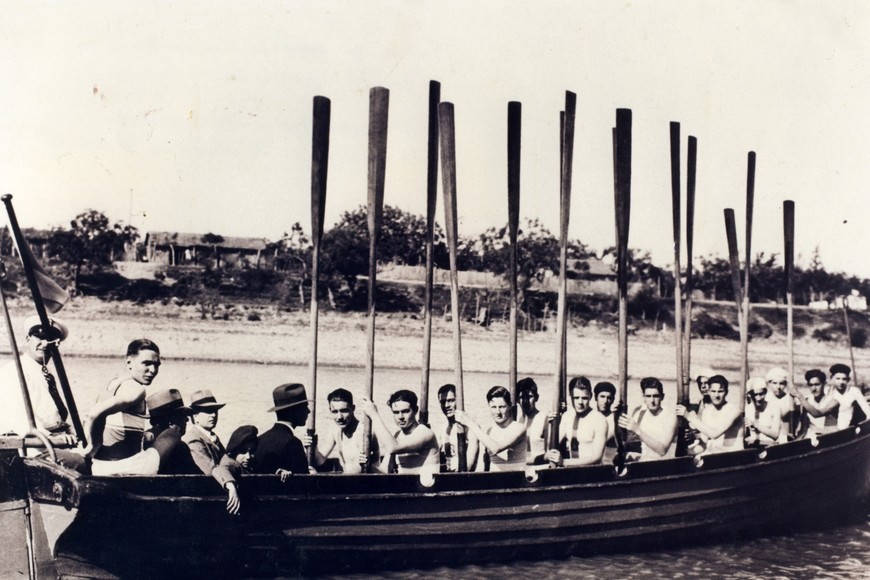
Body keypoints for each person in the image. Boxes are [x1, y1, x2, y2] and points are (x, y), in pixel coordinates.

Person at [145, 389, 239, 515]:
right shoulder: (180, 447)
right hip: (178, 511)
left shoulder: (146, 441)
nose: (187, 420)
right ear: (170, 421)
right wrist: (229, 484)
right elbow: (203, 477)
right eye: (182, 415)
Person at [83, 339, 162, 475]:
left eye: (157, 365)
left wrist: (92, 446)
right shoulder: (136, 389)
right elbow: (94, 414)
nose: (153, 370)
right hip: (128, 468)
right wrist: (92, 446)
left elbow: (91, 416)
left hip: (100, 467)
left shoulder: (113, 384)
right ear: (129, 362)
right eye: (147, 363)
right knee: (172, 434)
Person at [0, 316, 75, 445]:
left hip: (53, 438)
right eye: (40, 337)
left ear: (56, 344)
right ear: (28, 339)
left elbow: (49, 413)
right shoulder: (14, 371)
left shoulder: (44, 372)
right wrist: (51, 438)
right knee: (82, 459)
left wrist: (68, 429)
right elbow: (19, 418)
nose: (45, 344)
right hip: (29, 444)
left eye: (50, 339)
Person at [362, 389, 439, 475]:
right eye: (396, 412)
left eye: (405, 411)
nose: (400, 417)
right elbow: (384, 472)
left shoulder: (425, 433)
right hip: (405, 483)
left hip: (426, 483)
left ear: (415, 410)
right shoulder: (397, 436)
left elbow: (393, 447)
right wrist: (368, 465)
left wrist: (373, 414)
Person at [455, 386, 527, 472]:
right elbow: (482, 464)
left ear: (509, 406)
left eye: (502, 407)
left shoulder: (519, 428)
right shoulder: (488, 431)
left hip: (515, 478)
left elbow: (496, 448)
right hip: (494, 478)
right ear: (489, 407)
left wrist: (470, 423)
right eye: (493, 407)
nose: (498, 412)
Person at [311, 388, 378, 474]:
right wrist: (314, 446)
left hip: (368, 479)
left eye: (344, 411)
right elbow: (319, 461)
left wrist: (321, 478)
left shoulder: (364, 432)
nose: (339, 417)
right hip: (346, 478)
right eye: (335, 412)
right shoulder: (334, 429)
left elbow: (358, 469)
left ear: (353, 408)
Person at [545, 379, 608, 466]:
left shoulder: (599, 420)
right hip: (571, 469)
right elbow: (551, 446)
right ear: (570, 396)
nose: (580, 402)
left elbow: (596, 458)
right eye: (576, 398)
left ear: (590, 396)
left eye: (584, 398)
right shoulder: (567, 416)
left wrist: (564, 462)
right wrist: (551, 425)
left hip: (591, 471)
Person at [256, 383, 312, 479]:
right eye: (305, 407)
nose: (308, 411)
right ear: (293, 411)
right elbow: (304, 481)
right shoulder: (293, 443)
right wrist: (313, 474)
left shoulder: (259, 439)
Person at [676, 374, 743, 454]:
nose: (716, 395)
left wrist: (690, 417)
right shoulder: (707, 411)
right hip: (713, 455)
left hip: (733, 455)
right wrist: (687, 452)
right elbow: (704, 444)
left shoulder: (733, 410)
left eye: (720, 391)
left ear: (726, 392)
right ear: (708, 392)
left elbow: (714, 434)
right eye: (713, 391)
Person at [792, 364, 870, 431]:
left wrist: (862, 429)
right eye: (838, 378)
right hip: (831, 429)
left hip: (847, 430)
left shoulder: (854, 391)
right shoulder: (827, 391)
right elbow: (812, 399)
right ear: (831, 378)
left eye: (844, 379)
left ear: (848, 379)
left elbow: (867, 412)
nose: (841, 382)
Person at [618, 377, 677, 461]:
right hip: (644, 461)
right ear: (643, 397)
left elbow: (662, 450)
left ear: (662, 397)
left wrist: (638, 430)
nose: (652, 400)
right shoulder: (640, 413)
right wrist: (616, 417)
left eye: (656, 396)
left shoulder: (670, 416)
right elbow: (628, 440)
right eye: (648, 396)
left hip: (664, 464)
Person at [182, 389, 229, 476]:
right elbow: (210, 471)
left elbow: (228, 461)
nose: (214, 415)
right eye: (208, 411)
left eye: (215, 411)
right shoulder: (193, 440)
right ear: (195, 416)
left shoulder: (212, 437)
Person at [791, 369, 837, 436]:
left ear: (824, 384)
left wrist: (799, 396)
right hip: (812, 437)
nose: (814, 388)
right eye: (811, 385)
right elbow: (804, 430)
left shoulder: (833, 401)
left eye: (817, 384)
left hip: (829, 437)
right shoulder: (807, 402)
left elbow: (817, 414)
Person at [744, 377, 784, 447]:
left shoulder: (774, 407)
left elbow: (775, 435)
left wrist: (756, 425)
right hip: (752, 445)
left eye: (761, 394)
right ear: (750, 395)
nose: (758, 398)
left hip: (770, 446)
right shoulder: (747, 408)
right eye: (755, 395)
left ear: (765, 392)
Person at [516, 378, 548, 465]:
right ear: (517, 400)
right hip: (520, 469)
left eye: (530, 397)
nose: (526, 401)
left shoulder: (544, 419)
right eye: (522, 397)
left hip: (539, 468)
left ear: (537, 398)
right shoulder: (517, 420)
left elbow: (549, 455)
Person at [765, 367, 795, 440]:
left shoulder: (790, 398)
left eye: (781, 383)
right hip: (767, 434)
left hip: (784, 435)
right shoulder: (765, 397)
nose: (778, 387)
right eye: (775, 383)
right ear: (769, 384)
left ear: (785, 384)